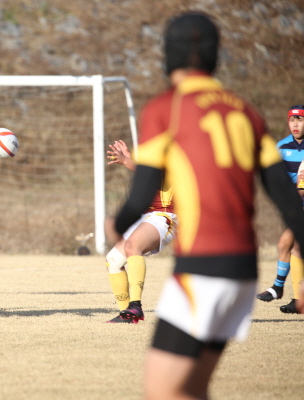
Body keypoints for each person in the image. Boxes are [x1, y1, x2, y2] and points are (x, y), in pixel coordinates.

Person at [105, 12, 304, 399]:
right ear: (215, 56)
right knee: (192, 386)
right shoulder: (246, 111)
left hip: (204, 267)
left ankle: (132, 307)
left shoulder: (167, 108)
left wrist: (118, 222)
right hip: (244, 271)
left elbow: (140, 195)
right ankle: (130, 306)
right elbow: (288, 201)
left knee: (162, 390)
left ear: (169, 55)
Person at [104, 139, 177, 324]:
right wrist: (131, 159)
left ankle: (135, 306)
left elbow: (156, 173)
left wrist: (126, 161)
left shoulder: (179, 153)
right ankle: (126, 314)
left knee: (132, 245)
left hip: (166, 216)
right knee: (113, 260)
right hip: (148, 216)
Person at [256, 105, 304, 314]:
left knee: (289, 243)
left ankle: (280, 289)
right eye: (292, 120)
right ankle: (291, 295)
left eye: (300, 120)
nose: (295, 124)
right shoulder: (282, 147)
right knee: (291, 247)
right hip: (295, 206)